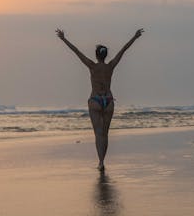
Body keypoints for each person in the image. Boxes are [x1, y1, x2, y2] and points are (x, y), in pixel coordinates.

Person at [56, 28, 144, 171]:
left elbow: (76, 51)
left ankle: (101, 162)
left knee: (98, 134)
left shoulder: (92, 65)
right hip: (108, 101)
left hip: (95, 100)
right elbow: (123, 50)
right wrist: (135, 37)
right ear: (105, 55)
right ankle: (103, 161)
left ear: (96, 56)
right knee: (105, 133)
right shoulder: (111, 66)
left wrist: (64, 39)